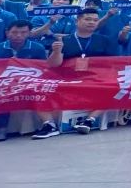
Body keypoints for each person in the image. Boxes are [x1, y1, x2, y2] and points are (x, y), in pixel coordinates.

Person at [33, 8, 118, 139]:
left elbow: (111, 64)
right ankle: (49, 125)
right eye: (88, 19)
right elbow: (53, 64)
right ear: (77, 21)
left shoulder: (105, 40)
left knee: (115, 86)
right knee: (38, 87)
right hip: (66, 78)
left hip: (95, 78)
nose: (92, 22)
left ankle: (90, 120)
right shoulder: (64, 40)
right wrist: (56, 51)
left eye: (95, 20)